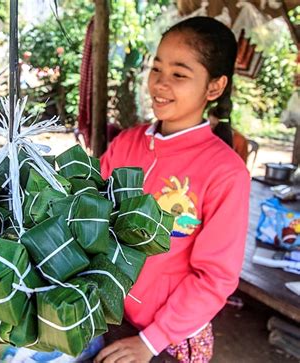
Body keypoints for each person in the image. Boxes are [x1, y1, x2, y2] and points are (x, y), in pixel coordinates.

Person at [95, 17, 250, 363]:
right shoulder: (126, 144)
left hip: (168, 340)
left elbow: (214, 278)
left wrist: (151, 341)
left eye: (179, 74)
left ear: (214, 87)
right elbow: (89, 210)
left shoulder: (225, 173)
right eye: (156, 69)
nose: (160, 84)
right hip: (109, 316)